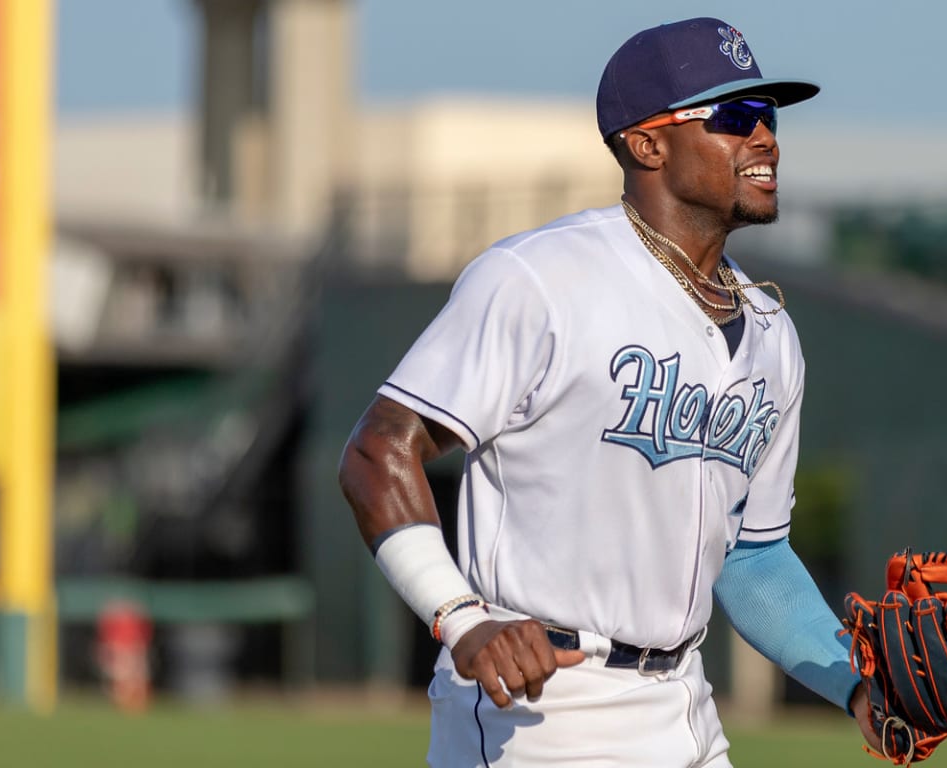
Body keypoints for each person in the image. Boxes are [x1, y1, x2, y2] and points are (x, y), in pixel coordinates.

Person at [339, 17, 878, 766]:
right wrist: (459, 617)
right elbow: (377, 452)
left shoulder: (770, 332)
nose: (765, 138)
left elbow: (753, 556)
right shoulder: (540, 279)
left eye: (768, 116)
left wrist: (857, 685)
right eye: (732, 117)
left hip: (683, 705)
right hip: (539, 710)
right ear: (647, 143)